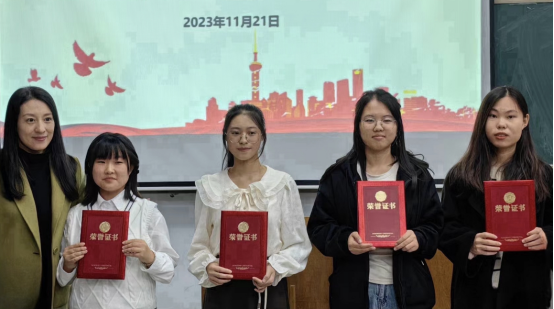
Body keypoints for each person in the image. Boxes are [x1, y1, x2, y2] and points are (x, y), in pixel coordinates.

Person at [308, 89, 444, 309]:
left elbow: (436, 226)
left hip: (408, 290)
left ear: (397, 126)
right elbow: (318, 228)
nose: (378, 127)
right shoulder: (339, 176)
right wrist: (345, 240)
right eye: (370, 120)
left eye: (387, 120)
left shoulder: (416, 176)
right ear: (358, 126)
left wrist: (418, 237)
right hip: (353, 291)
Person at [188, 104, 312, 309]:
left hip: (267, 287)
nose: (243, 140)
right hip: (222, 288)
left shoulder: (281, 184)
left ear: (262, 136)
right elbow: (199, 245)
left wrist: (274, 268)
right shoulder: (210, 186)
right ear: (226, 137)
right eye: (235, 133)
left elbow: (298, 244)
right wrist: (208, 265)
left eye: (251, 133)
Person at [439, 86, 553, 309]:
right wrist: (471, 243)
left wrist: (546, 237)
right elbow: (445, 228)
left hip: (526, 291)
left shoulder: (544, 176)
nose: (501, 124)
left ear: (525, 121)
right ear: (482, 121)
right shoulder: (460, 176)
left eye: (510, 116)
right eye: (493, 116)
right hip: (474, 292)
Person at [57, 132, 179, 309]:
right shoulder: (76, 213)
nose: (109, 169)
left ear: (131, 168)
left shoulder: (148, 212)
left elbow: (168, 273)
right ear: (90, 167)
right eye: (101, 162)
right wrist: (67, 264)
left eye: (118, 162)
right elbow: (62, 280)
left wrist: (149, 256)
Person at [0, 87, 84, 309]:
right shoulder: (1, 167)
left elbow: (86, 217)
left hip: (57, 291)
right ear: (14, 124)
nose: (41, 128)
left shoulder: (71, 168)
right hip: (9, 293)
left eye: (48, 119)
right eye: (30, 120)